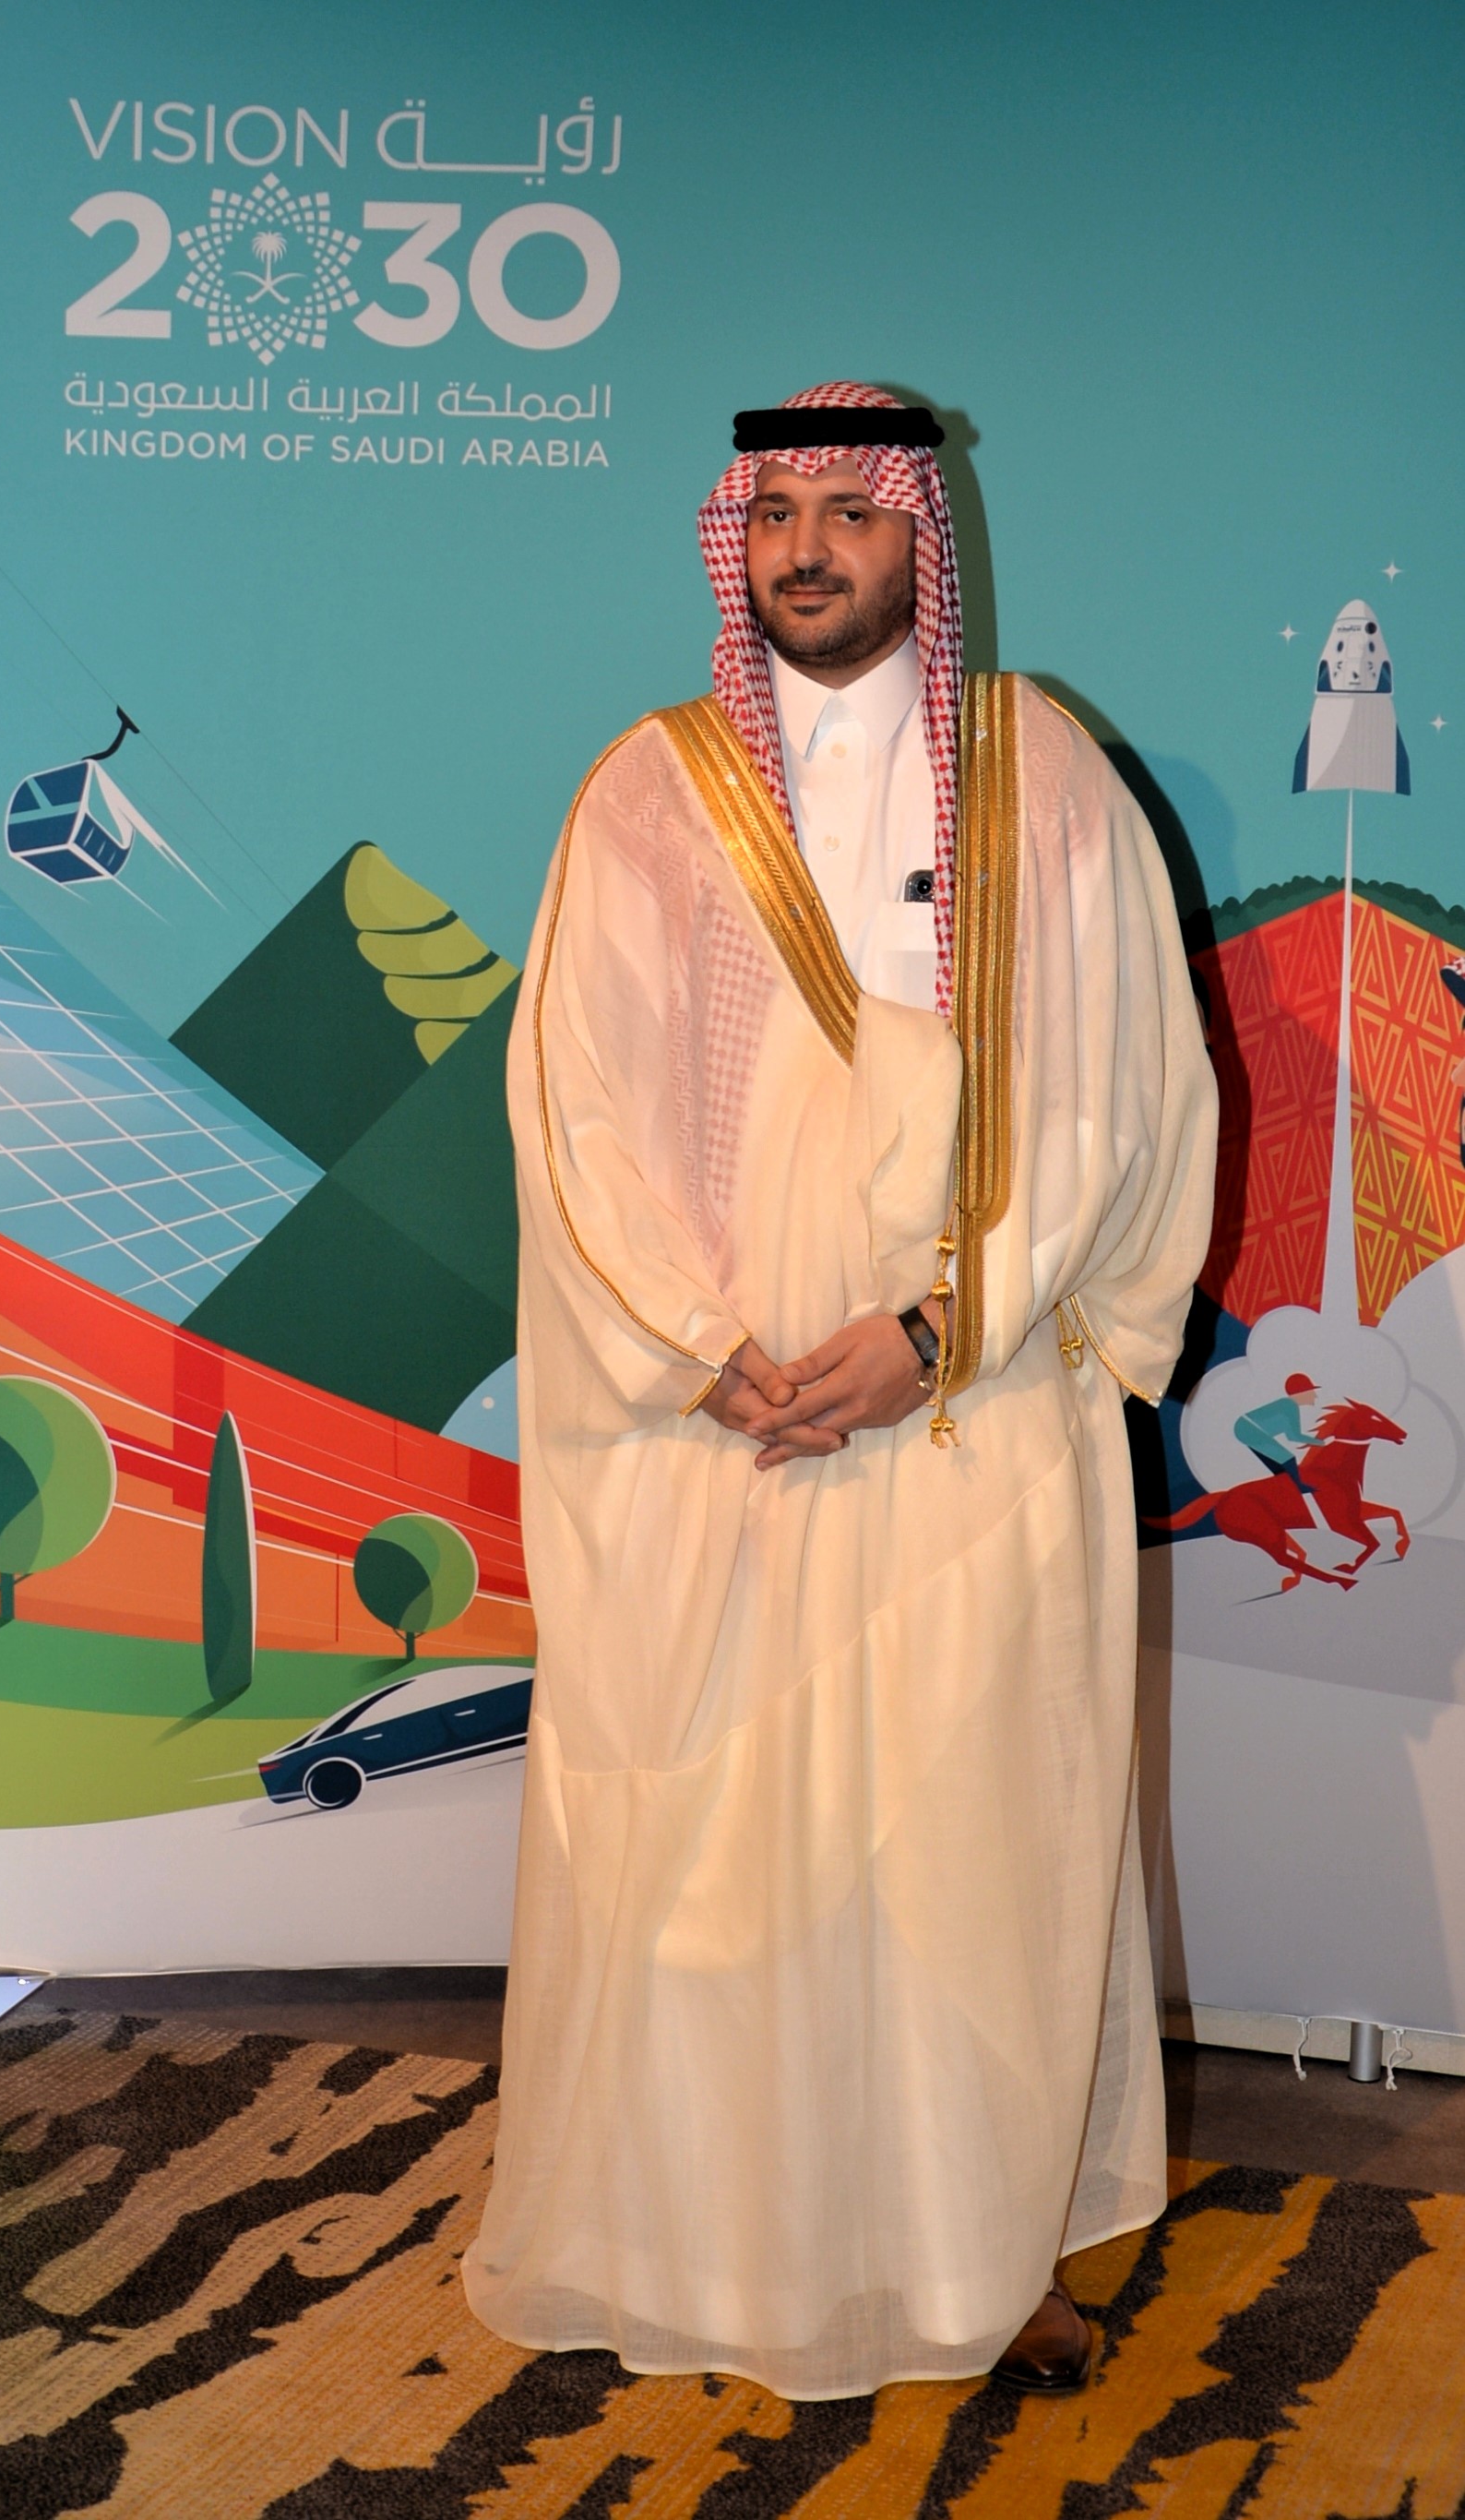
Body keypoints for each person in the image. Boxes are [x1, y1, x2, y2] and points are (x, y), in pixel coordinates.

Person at [462, 381, 1218, 2402]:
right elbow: (573, 1103)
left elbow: (1113, 1091)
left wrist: (935, 1328)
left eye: (848, 511)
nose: (806, 547)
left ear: (918, 535)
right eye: (775, 509)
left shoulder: (1038, 773)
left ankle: (990, 2253)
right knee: (727, 1869)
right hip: (725, 1426)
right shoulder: (649, 788)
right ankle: (714, 2244)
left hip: (968, 1411)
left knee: (976, 1856)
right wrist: (697, 1348)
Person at [1234, 1374, 1321, 1483]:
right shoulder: (1290, 1405)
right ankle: (1299, 1486)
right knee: (1287, 1458)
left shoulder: (1288, 1404)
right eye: (1311, 1392)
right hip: (1249, 1428)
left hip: (1245, 1427)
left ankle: (1289, 1484)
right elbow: (1293, 1436)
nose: (1315, 1396)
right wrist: (1320, 1442)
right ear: (1301, 1393)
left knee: (1279, 1463)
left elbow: (1291, 1435)